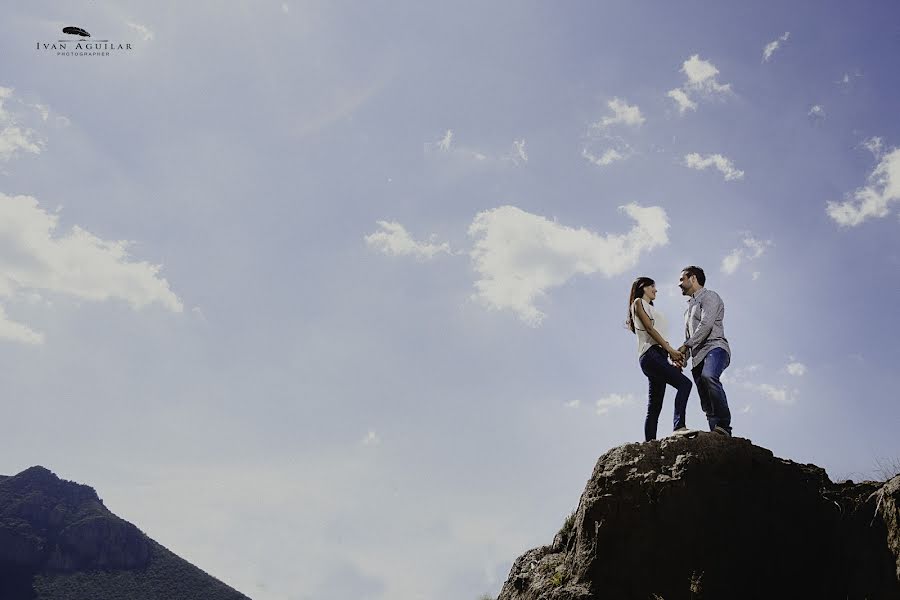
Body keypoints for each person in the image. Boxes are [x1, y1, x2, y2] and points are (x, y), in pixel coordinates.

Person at [627, 276, 693, 441]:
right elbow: (649, 329)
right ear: (643, 287)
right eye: (652, 287)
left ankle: (650, 445)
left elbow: (660, 336)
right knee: (685, 384)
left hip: (659, 356)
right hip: (650, 355)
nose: (655, 290)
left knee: (654, 407)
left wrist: (670, 357)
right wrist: (670, 350)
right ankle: (679, 426)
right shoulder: (637, 303)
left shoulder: (654, 310)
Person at [677, 266, 732, 436]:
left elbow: (706, 325)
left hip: (715, 348)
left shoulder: (710, 296)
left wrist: (686, 345)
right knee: (706, 403)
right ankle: (717, 436)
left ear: (693, 278)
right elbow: (689, 337)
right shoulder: (687, 310)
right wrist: (682, 359)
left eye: (682, 279)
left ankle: (724, 425)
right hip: (697, 358)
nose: (679, 284)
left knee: (709, 377)